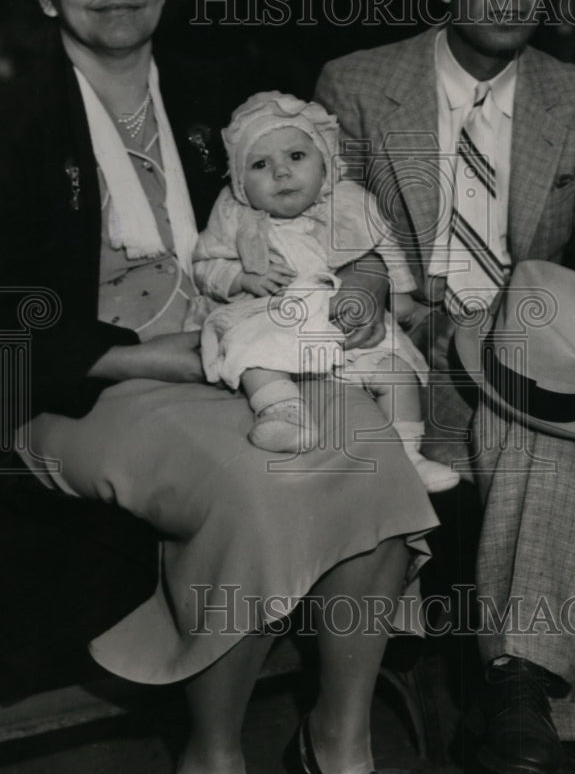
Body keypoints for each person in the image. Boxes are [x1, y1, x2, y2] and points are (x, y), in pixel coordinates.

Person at [0, 0, 441, 774]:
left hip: (253, 359)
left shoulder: (226, 94)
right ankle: (210, 766)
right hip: (93, 390)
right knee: (258, 484)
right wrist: (146, 360)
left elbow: (327, 208)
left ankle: (339, 739)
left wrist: (366, 277)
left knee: (371, 454)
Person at [314, 0, 575, 774]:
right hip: (391, 352)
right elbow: (318, 246)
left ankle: (517, 686)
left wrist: (566, 323)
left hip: (512, 349)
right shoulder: (356, 86)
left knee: (561, 387)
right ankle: (529, 699)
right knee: (543, 399)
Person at [190, 89, 460, 493]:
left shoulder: (351, 203)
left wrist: (396, 298)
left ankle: (408, 456)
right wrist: (240, 278)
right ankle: (283, 417)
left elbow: (384, 252)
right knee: (253, 354)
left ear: (326, 162)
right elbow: (204, 264)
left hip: (347, 325)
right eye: (261, 164)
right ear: (240, 180)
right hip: (275, 314)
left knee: (397, 373)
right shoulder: (234, 213)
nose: (281, 173)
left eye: (296, 157)